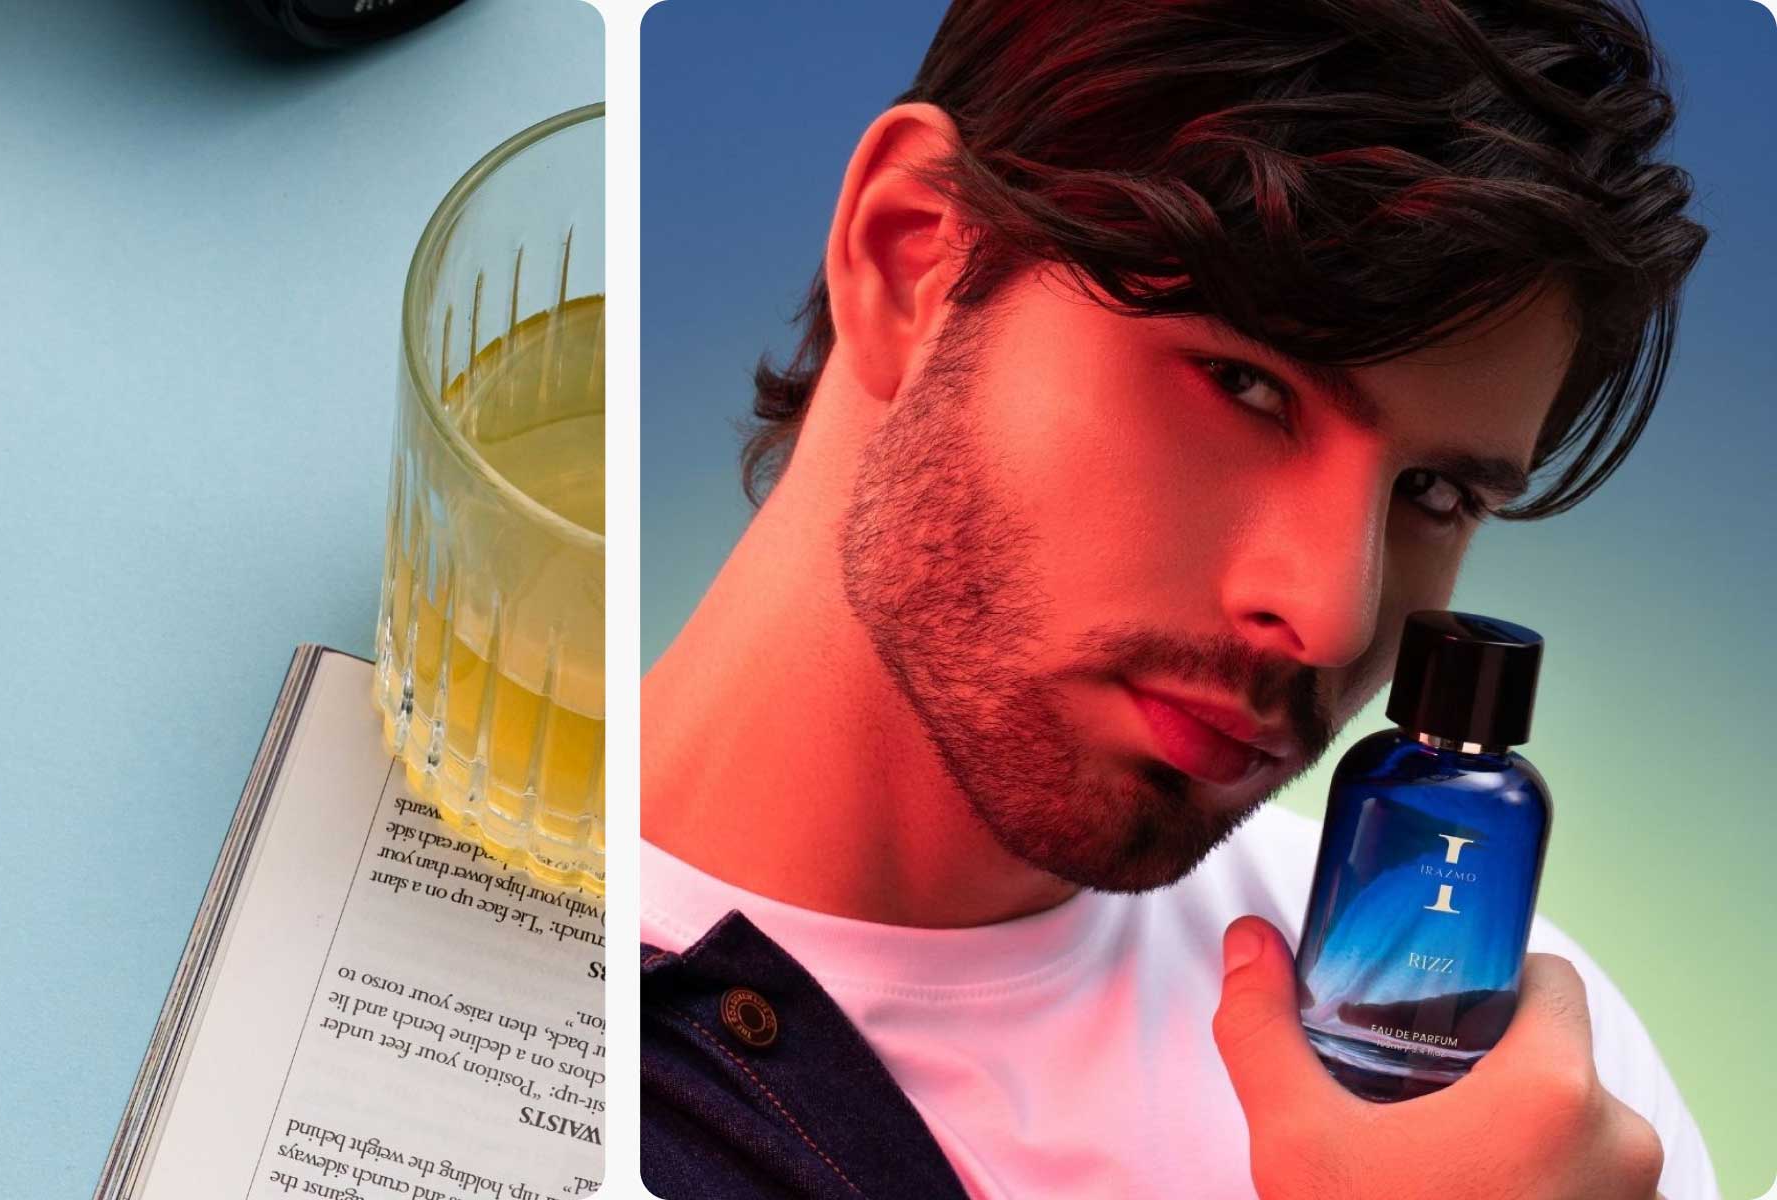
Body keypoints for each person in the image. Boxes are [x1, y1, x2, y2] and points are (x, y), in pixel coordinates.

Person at [638, 0, 1714, 1196]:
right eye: (1244, 386)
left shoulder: (1531, 1105)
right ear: (912, 260)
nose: (1333, 618)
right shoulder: (504, 1035)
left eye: (1435, 493)